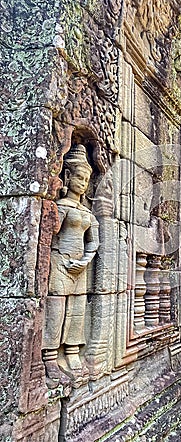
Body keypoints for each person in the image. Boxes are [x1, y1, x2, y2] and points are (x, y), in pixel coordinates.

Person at [42, 144, 99, 385]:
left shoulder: (87, 212)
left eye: (86, 179)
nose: (83, 183)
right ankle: (51, 357)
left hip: (80, 266)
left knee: (77, 309)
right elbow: (50, 233)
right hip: (60, 261)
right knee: (56, 307)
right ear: (68, 176)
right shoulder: (63, 206)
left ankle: (73, 353)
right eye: (79, 177)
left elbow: (94, 243)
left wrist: (84, 262)